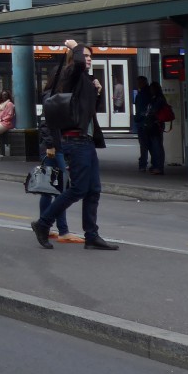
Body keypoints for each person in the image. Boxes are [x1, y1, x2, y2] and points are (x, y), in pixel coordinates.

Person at [30, 39, 119, 250]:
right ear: (76, 57)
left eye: (90, 57)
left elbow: (88, 112)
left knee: (93, 189)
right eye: (85, 56)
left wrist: (97, 92)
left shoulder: (84, 81)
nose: (88, 59)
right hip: (74, 140)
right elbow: (77, 63)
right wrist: (75, 46)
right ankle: (43, 224)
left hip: (85, 141)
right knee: (78, 188)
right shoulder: (70, 74)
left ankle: (91, 235)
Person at [36, 114, 80, 243]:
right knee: (62, 189)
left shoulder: (51, 95)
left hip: (52, 146)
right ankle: (62, 231)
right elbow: (46, 123)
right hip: (55, 147)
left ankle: (46, 227)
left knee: (48, 190)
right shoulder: (53, 95)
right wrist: (50, 144)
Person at [146, 80, 170, 175]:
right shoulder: (157, 98)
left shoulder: (158, 98)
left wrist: (149, 114)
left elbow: (154, 110)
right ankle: (157, 165)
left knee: (157, 146)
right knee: (156, 145)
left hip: (156, 123)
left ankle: (159, 167)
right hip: (155, 123)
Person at [132, 76, 152, 171]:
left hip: (143, 123)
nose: (138, 85)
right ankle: (155, 164)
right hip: (150, 122)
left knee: (143, 145)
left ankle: (143, 164)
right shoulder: (150, 93)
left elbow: (140, 109)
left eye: (139, 83)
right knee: (152, 144)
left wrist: (136, 118)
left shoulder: (141, 95)